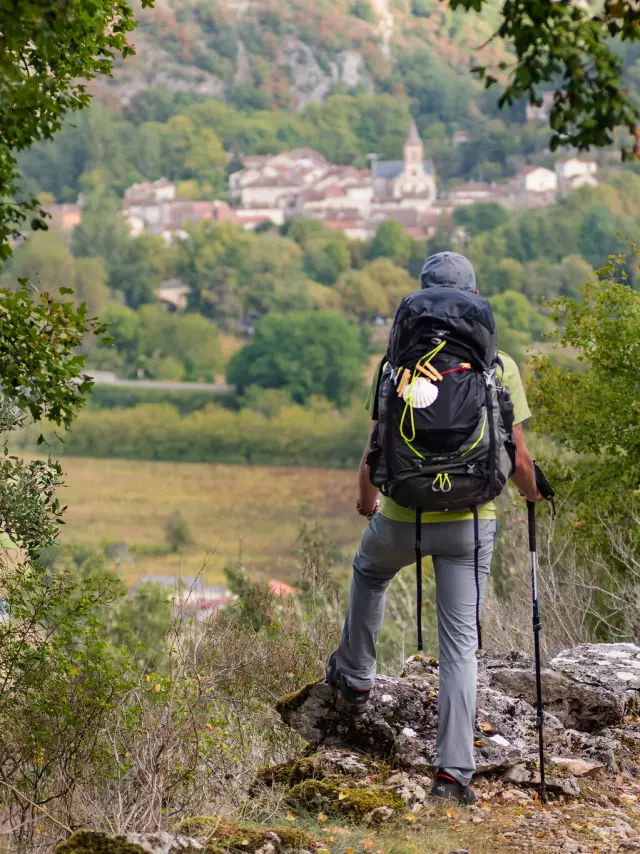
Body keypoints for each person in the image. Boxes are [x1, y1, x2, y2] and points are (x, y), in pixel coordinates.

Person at [326, 251, 542, 805]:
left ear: (421, 297)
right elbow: (518, 458)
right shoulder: (498, 365)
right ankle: (452, 776)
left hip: (404, 516)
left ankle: (356, 675)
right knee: (460, 646)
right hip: (470, 523)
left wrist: (367, 504)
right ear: (474, 297)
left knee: (370, 571)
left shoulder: (395, 366)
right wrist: (533, 493)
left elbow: (374, 451)